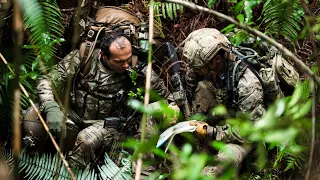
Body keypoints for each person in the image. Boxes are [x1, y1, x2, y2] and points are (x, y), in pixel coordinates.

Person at [32, 30, 174, 168]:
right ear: (104, 56)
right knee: (32, 117)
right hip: (73, 116)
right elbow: (46, 81)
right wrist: (51, 106)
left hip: (108, 124)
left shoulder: (138, 68)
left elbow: (166, 98)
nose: (125, 65)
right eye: (119, 61)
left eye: (128, 59)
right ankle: (33, 162)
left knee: (86, 140)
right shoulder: (83, 58)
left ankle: (71, 172)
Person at [182, 28, 284, 176]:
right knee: (203, 87)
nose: (194, 71)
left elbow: (247, 133)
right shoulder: (208, 64)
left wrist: (210, 132)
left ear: (215, 60)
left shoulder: (248, 84)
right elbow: (189, 85)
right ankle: (201, 147)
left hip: (245, 138)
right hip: (225, 118)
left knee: (227, 158)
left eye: (199, 68)